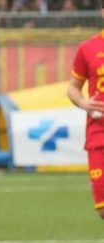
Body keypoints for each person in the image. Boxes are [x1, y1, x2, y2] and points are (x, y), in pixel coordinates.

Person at [68, 1, 104, 219]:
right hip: (98, 134)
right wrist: (82, 103)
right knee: (102, 209)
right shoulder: (88, 48)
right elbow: (72, 87)